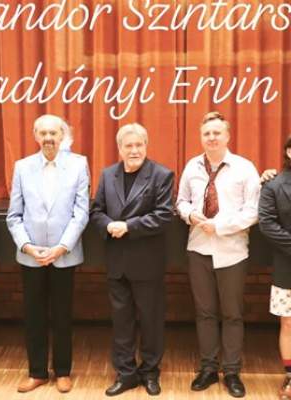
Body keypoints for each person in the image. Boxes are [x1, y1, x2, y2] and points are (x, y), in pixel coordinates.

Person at [176, 111, 260, 398]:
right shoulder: (192, 166)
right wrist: (190, 215)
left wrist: (220, 227)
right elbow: (181, 201)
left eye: (216, 133)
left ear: (227, 136)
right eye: (206, 134)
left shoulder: (244, 168)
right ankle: (209, 368)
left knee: (232, 314)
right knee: (205, 313)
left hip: (232, 252)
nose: (211, 138)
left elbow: (253, 211)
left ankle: (232, 371)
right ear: (201, 137)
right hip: (198, 248)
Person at [6, 114, 89, 394]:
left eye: (53, 133)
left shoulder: (79, 164)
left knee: (63, 316)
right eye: (43, 133)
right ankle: (37, 372)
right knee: (34, 316)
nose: (48, 138)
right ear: (36, 136)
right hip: (32, 256)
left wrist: (61, 247)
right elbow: (14, 215)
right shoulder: (22, 167)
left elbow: (81, 212)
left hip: (64, 254)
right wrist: (28, 247)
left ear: (62, 135)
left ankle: (63, 372)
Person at [90, 123, 173, 396]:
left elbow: (163, 215)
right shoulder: (108, 174)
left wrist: (128, 226)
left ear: (146, 146)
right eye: (129, 145)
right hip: (117, 262)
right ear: (120, 148)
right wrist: (108, 225)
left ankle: (150, 372)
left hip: (147, 263)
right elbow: (96, 211)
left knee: (151, 322)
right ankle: (125, 374)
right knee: (121, 322)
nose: (134, 150)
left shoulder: (161, 175)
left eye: (139, 145)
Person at [259, 136, 291, 400]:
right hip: (287, 263)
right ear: (289, 152)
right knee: (289, 323)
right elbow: (267, 223)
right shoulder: (274, 185)